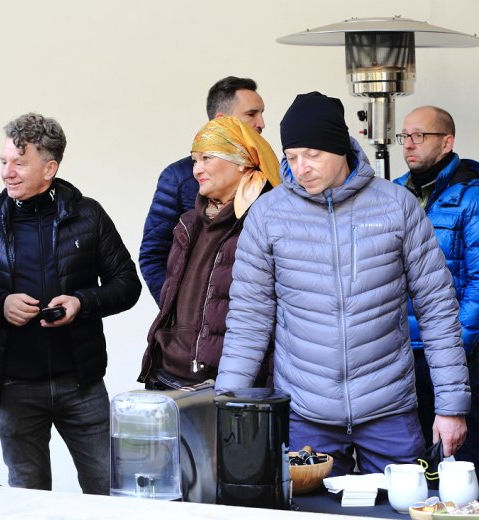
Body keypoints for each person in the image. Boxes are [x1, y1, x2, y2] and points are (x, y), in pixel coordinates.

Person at [215, 91, 471, 476]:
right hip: (306, 413)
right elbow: (248, 320)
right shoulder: (268, 215)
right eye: (292, 156)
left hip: (389, 409)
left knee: (404, 506)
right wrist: (227, 407)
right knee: (309, 508)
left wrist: (451, 406)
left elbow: (437, 310)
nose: (301, 168)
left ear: (340, 146)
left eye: (313, 154)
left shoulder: (397, 206)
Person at [0, 112, 141, 493]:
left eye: (19, 163)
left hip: (82, 385)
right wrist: (0, 306)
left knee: (109, 492)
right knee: (28, 499)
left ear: (49, 168)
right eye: (4, 161)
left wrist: (80, 303)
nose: (7, 173)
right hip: (13, 388)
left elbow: (127, 284)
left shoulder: (89, 216)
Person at [138, 116, 280, 389]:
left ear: (241, 160)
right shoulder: (189, 223)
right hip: (169, 376)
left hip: (232, 384)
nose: (196, 170)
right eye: (195, 161)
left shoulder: (265, 224)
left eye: (207, 158)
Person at [394, 105, 479, 476]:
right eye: (404, 136)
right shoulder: (394, 192)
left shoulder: (471, 196)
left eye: (419, 135)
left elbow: (478, 282)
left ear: (447, 142)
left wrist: (454, 344)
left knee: (460, 460)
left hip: (455, 352)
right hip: (401, 353)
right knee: (413, 461)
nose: (408, 144)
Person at [139, 76, 266, 305]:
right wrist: (175, 312)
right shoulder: (179, 177)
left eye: (261, 113)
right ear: (222, 120)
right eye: (252, 114)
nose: (261, 123)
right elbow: (153, 254)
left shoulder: (269, 176)